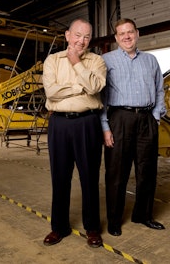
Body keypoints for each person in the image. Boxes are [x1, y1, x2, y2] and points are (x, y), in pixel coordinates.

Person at [42, 18, 107, 247]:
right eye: (78, 35)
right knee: (60, 177)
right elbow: (51, 92)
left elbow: (96, 88)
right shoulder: (52, 60)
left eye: (87, 36)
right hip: (59, 124)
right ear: (68, 35)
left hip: (87, 123)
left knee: (90, 177)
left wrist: (77, 63)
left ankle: (92, 228)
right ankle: (59, 228)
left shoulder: (97, 61)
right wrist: (81, 86)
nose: (82, 40)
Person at [100, 18, 166, 236]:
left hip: (146, 118)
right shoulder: (105, 60)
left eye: (130, 32)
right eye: (122, 33)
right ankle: (114, 220)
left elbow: (159, 90)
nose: (126, 36)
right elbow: (99, 96)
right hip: (119, 119)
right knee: (116, 172)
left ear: (137, 33)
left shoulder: (151, 60)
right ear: (116, 38)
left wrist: (155, 117)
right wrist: (105, 127)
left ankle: (143, 215)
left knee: (147, 171)